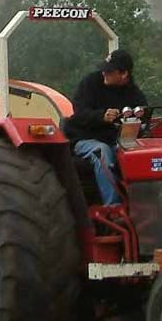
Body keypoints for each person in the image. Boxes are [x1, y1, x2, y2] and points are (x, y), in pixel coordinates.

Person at [63, 50, 147, 206]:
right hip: (84, 138)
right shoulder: (91, 83)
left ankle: (140, 202)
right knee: (102, 152)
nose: (104, 73)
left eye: (109, 71)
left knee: (136, 152)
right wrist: (102, 116)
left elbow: (142, 122)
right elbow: (80, 112)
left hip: (115, 140)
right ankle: (113, 205)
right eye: (104, 69)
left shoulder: (135, 95)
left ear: (124, 74)